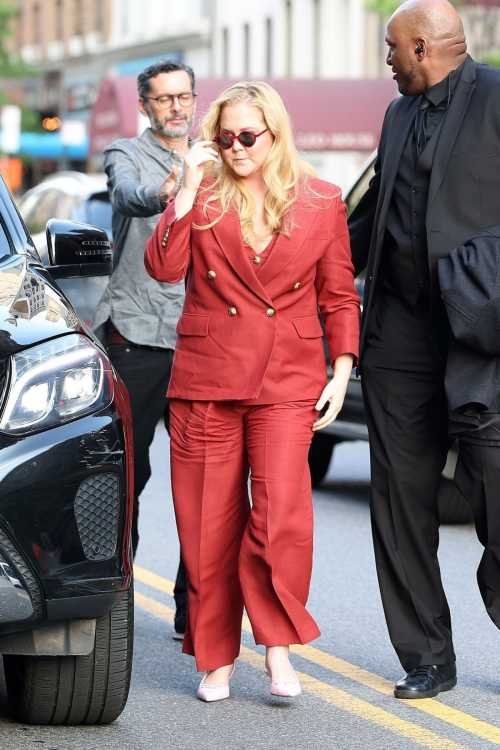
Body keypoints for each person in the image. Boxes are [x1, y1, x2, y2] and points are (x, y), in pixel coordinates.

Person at [145, 81, 360, 701]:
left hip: (287, 379)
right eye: (225, 137)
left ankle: (277, 648)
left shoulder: (320, 199)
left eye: (248, 136)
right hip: (208, 378)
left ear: (274, 134)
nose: (235, 148)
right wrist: (186, 185)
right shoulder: (201, 195)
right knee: (208, 525)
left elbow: (339, 294)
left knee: (280, 519)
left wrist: (341, 369)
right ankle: (216, 658)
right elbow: (162, 269)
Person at [348, 0, 500, 699]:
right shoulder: (397, 113)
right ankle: (427, 656)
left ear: (421, 46)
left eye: (390, 49)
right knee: (400, 503)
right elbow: (377, 210)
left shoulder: (496, 96)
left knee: (494, 494)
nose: (385, 60)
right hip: (399, 336)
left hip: (480, 335)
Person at [92, 58, 195, 638]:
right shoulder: (125, 154)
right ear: (146, 106)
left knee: (204, 480)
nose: (177, 107)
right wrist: (175, 186)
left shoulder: (221, 155)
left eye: (184, 97)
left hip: (202, 341)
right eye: (164, 99)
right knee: (129, 476)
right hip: (137, 334)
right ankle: (114, 602)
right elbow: (131, 196)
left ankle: (194, 607)